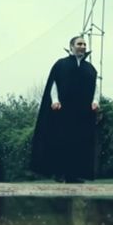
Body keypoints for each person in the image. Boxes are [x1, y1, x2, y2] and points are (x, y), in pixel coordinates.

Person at [29, 36, 100, 183]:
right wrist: (55, 100)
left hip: (82, 113)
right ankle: (59, 173)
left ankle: (74, 175)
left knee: (79, 142)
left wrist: (95, 101)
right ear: (71, 46)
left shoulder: (90, 69)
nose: (82, 46)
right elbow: (53, 84)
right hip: (63, 111)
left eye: (84, 44)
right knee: (61, 141)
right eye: (79, 44)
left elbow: (95, 87)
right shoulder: (61, 64)